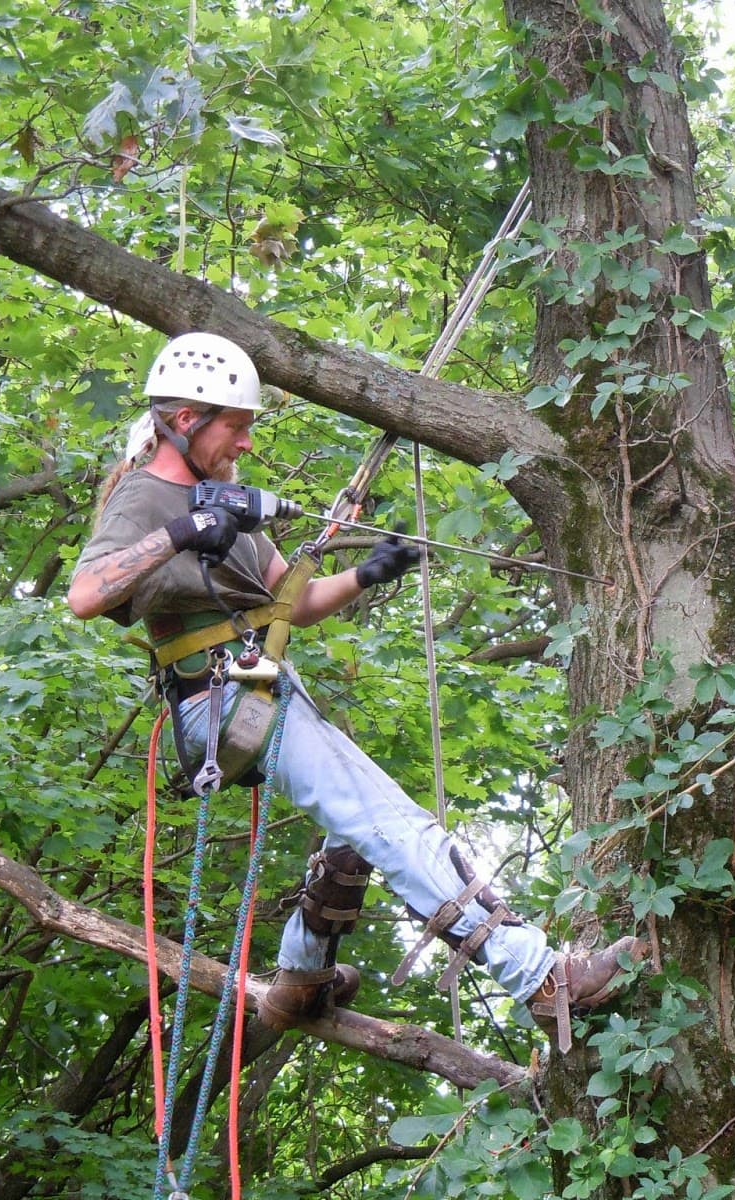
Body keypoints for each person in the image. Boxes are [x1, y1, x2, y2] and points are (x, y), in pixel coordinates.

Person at [68, 331, 642, 1048]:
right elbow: (86, 594)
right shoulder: (148, 496)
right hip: (215, 700)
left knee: (352, 837)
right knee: (387, 820)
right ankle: (539, 976)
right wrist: (184, 530)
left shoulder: (222, 502)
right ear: (186, 420)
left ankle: (301, 973)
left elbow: (292, 601)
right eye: (236, 427)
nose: (246, 443)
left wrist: (368, 572)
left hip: (258, 689)